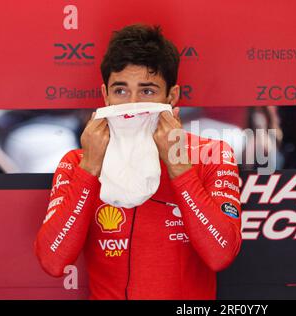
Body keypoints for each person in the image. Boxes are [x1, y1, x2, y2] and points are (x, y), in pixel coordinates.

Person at [34, 24, 242, 300]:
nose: (132, 104)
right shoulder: (78, 162)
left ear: (172, 96)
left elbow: (221, 254)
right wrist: (90, 170)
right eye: (120, 91)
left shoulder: (212, 154)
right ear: (105, 95)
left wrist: (179, 167)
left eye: (147, 91)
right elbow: (52, 261)